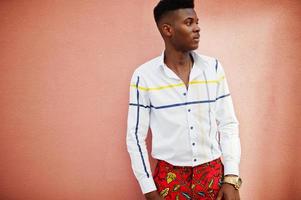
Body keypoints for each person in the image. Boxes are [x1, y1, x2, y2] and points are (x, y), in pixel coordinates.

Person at [126, 0, 242, 199]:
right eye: (189, 22)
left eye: (197, 22)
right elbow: (135, 136)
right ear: (167, 30)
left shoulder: (213, 68)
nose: (197, 28)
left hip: (213, 177)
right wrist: (149, 190)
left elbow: (228, 124)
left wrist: (231, 177)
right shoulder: (144, 76)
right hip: (169, 180)